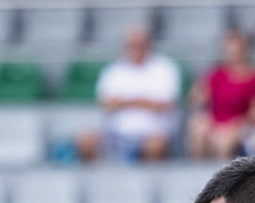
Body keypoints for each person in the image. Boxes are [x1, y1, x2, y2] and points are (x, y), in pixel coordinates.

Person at [76, 26, 181, 163]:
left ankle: (152, 182)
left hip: (152, 132)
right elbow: (107, 104)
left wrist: (125, 102)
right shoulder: (114, 70)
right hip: (117, 134)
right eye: (131, 45)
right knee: (86, 140)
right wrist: (143, 101)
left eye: (139, 44)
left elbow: (164, 104)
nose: (135, 49)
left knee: (155, 146)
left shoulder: (164, 68)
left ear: (148, 44)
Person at [188, 29, 255, 160]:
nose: (233, 55)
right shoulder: (217, 74)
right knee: (197, 126)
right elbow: (199, 98)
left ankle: (223, 177)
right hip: (216, 124)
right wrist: (197, 94)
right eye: (230, 51)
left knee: (225, 141)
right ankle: (196, 169)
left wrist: (236, 124)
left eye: (237, 51)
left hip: (240, 125)